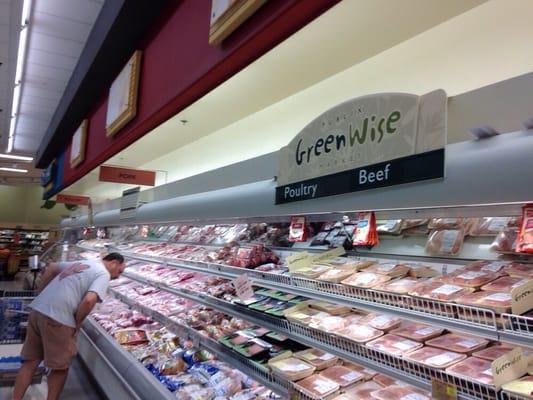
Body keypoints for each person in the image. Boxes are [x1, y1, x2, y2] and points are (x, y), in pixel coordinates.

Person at [12, 252, 126, 400]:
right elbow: (88, 301)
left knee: (30, 363)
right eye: (120, 271)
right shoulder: (103, 273)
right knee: (59, 369)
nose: (118, 276)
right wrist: (76, 324)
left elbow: (51, 268)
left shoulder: (83, 263)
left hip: (38, 311)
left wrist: (41, 293)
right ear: (114, 263)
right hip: (58, 319)